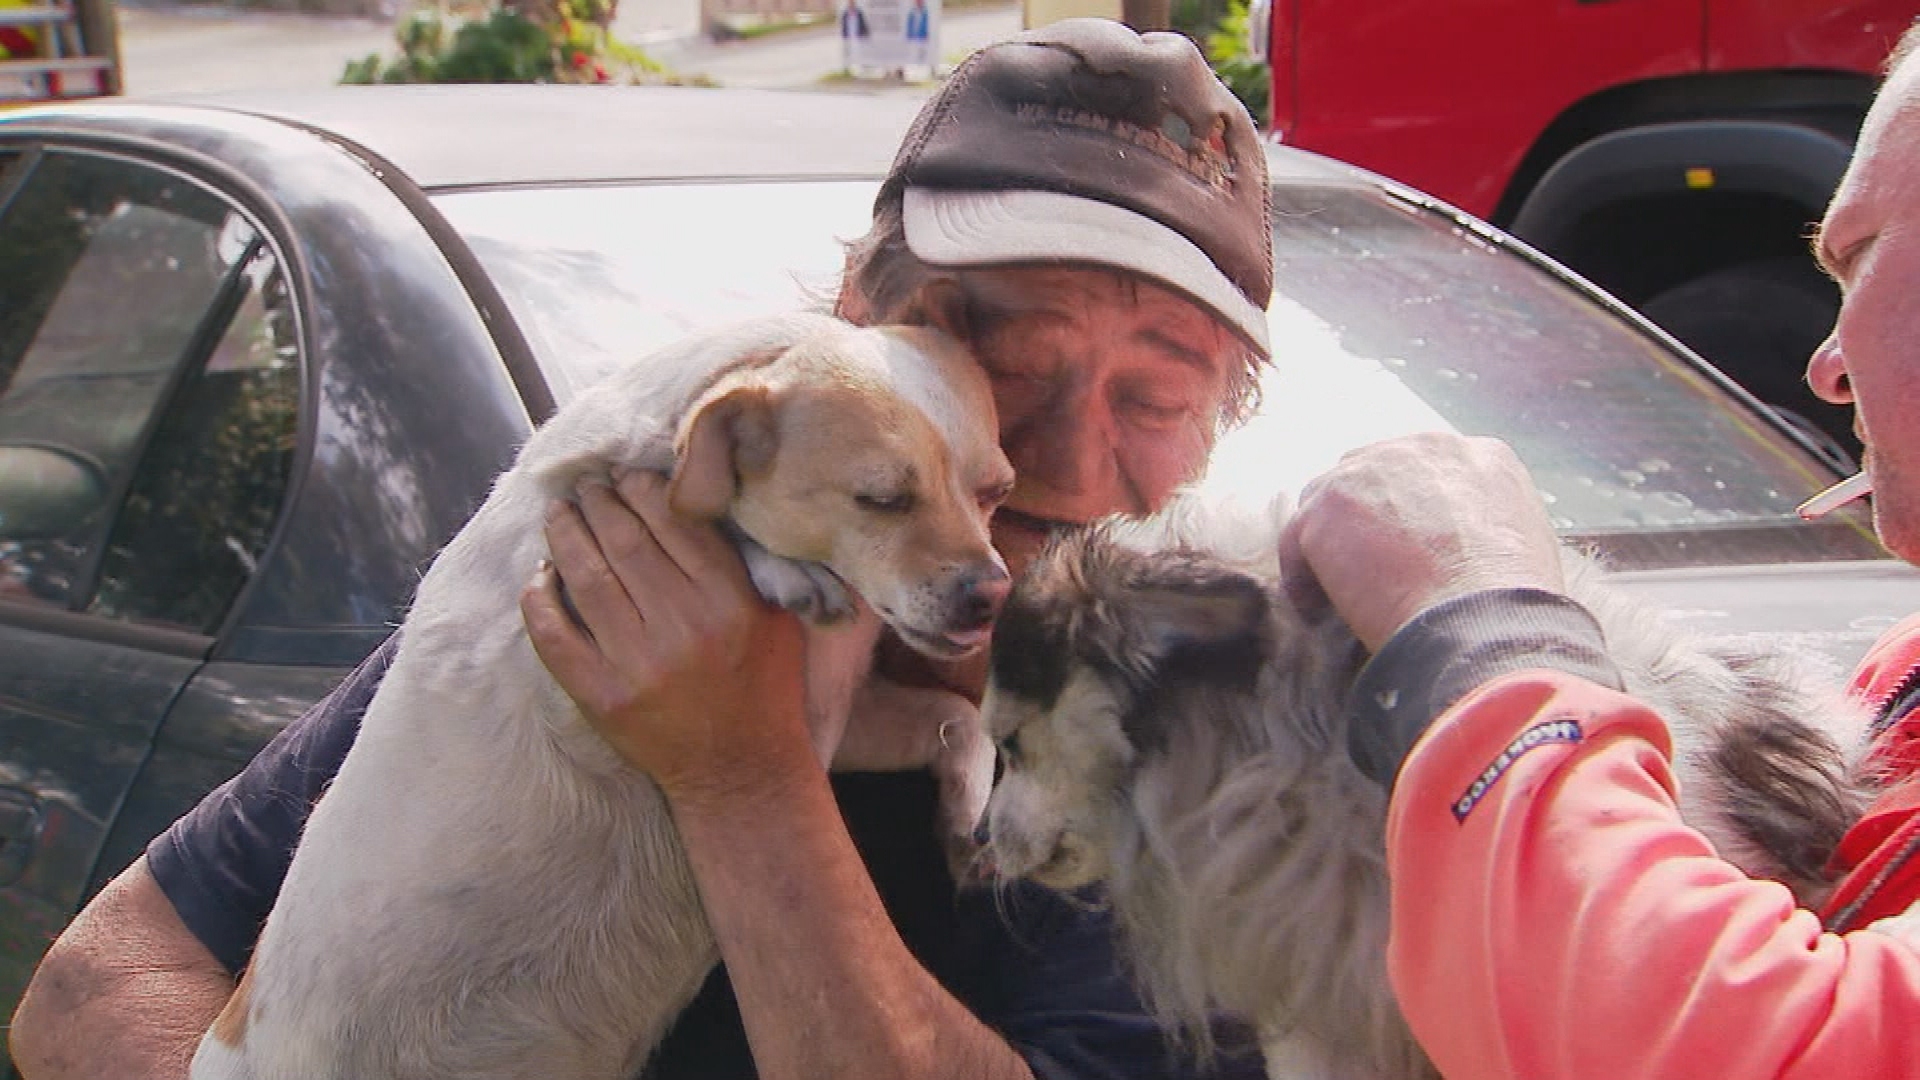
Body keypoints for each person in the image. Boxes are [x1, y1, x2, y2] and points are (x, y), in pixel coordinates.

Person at [8, 19, 1274, 1080]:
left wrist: (742, 777)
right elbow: (91, 991)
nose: (1066, 454)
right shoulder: (609, 591)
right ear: (863, 324)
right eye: (1013, 358)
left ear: (1216, 433)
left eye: (1154, 398)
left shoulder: (1218, 782)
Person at [1274, 22, 1920, 1080]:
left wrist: (1483, 635)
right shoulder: (1904, 676)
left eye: (1857, 255)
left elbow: (1766, 1049)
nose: (1827, 366)